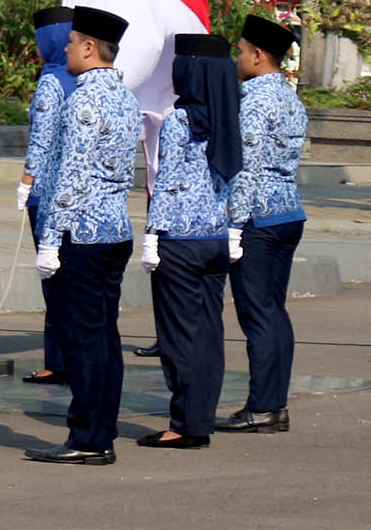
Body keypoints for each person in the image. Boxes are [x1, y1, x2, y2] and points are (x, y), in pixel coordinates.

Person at [25, 6, 138, 466]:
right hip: (113, 229)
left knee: (85, 341)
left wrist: (50, 239)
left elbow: (69, 177)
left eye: (72, 42)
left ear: (90, 48)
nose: (67, 49)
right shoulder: (125, 96)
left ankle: (88, 438)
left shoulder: (85, 100)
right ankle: (100, 429)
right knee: (104, 339)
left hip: (82, 235)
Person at [137, 34, 243, 449]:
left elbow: (167, 183)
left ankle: (185, 424)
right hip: (215, 238)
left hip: (178, 239)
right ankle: (201, 417)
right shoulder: (228, 116)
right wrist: (233, 228)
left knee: (179, 336)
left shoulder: (181, 119)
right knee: (208, 334)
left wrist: (151, 236)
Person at [217, 14, 304, 433]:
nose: (237, 57)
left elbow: (246, 166)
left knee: (258, 314)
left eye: (240, 50)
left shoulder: (254, 99)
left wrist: (235, 224)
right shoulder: (289, 96)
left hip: (259, 216)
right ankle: (275, 402)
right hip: (287, 209)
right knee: (274, 311)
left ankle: (264, 405)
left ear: (256, 54)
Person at [17, 6, 74, 386]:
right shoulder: (82, 78)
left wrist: (25, 182)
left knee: (54, 281)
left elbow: (40, 139)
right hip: (76, 196)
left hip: (47, 196)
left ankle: (58, 360)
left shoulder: (51, 82)